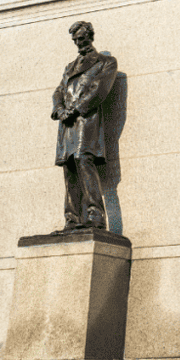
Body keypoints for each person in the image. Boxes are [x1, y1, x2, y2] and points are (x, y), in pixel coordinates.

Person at [51, 20, 118, 232]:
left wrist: (77, 108)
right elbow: (59, 91)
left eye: (81, 38)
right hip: (67, 125)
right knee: (69, 168)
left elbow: (100, 90)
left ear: (90, 36)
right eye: (75, 40)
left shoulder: (106, 62)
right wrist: (59, 109)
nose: (78, 43)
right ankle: (72, 219)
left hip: (86, 121)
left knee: (83, 160)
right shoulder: (69, 67)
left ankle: (95, 216)